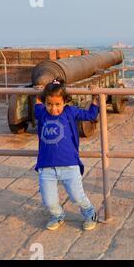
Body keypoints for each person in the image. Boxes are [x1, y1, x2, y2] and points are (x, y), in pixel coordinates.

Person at [34, 78, 99, 231]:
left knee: (77, 196)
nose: (53, 109)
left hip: (69, 164)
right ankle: (57, 215)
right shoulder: (42, 113)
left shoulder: (70, 111)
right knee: (49, 201)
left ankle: (90, 213)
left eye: (57, 104)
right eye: (49, 104)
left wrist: (95, 97)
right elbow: (37, 101)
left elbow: (90, 115)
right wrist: (38, 90)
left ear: (65, 102)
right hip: (46, 166)